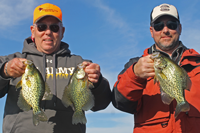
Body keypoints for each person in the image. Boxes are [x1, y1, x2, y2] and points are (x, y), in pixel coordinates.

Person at [0, 3, 111, 133]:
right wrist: (5, 71)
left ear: (62, 32)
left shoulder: (81, 64)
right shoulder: (14, 61)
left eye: (54, 27)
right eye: (41, 27)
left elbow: (101, 104)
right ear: (33, 31)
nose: (48, 32)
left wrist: (98, 82)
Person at [112, 3, 200, 133]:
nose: (165, 30)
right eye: (158, 26)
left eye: (171, 25)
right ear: (151, 31)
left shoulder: (198, 63)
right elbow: (120, 102)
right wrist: (135, 75)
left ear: (180, 28)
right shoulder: (136, 65)